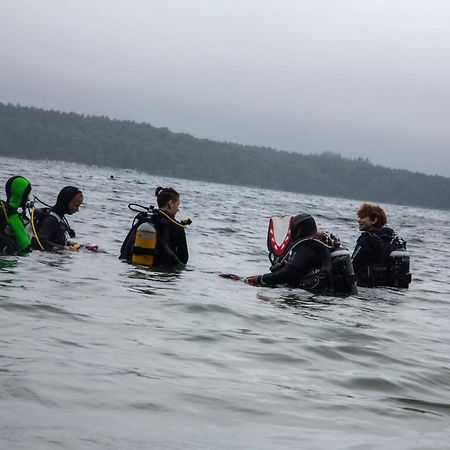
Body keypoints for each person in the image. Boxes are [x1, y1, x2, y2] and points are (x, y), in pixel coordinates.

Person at [245, 213, 357, 295]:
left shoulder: (306, 245)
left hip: (318, 294)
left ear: (298, 229)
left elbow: (290, 272)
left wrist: (261, 279)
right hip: (341, 294)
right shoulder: (321, 243)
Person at [120, 186, 189, 266]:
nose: (178, 209)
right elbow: (184, 260)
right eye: (177, 205)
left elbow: (123, 250)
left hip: (135, 268)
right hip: (161, 272)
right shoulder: (177, 227)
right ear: (170, 204)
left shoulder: (145, 220)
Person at [352, 203, 411, 288]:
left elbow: (353, 266)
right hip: (392, 290)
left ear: (374, 220)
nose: (359, 220)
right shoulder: (396, 240)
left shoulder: (366, 240)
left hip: (368, 289)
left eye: (362, 217)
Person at [32, 186, 83, 251]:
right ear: (65, 202)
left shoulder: (59, 219)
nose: (78, 210)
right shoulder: (51, 219)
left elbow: (57, 242)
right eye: (76, 205)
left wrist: (81, 246)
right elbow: (41, 242)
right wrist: (65, 249)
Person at [0, 176, 32, 254]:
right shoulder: (12, 215)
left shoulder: (3, 208)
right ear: (20, 195)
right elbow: (25, 246)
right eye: (27, 194)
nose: (29, 199)